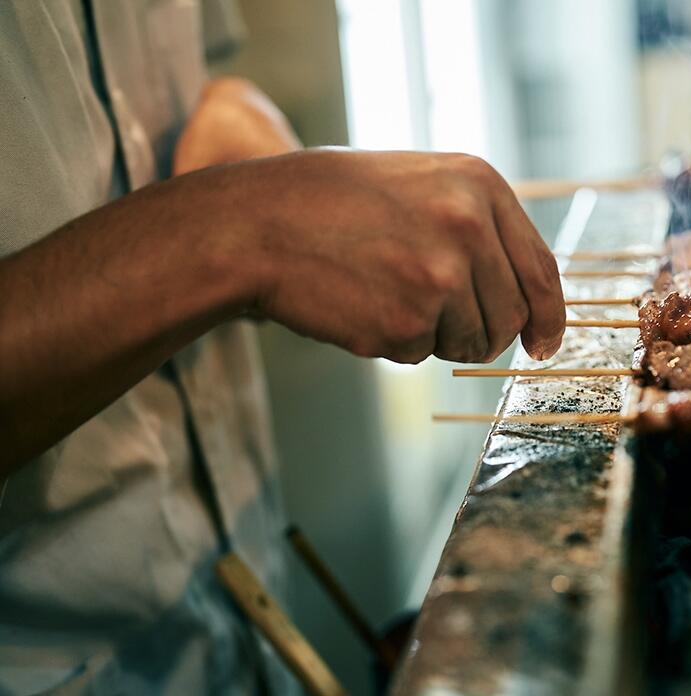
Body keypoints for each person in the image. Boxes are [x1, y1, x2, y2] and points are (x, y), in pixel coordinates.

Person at [0, 1, 565, 692]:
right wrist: (244, 226)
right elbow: (218, 223)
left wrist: (238, 117)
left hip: (242, 612)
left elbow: (154, 113)